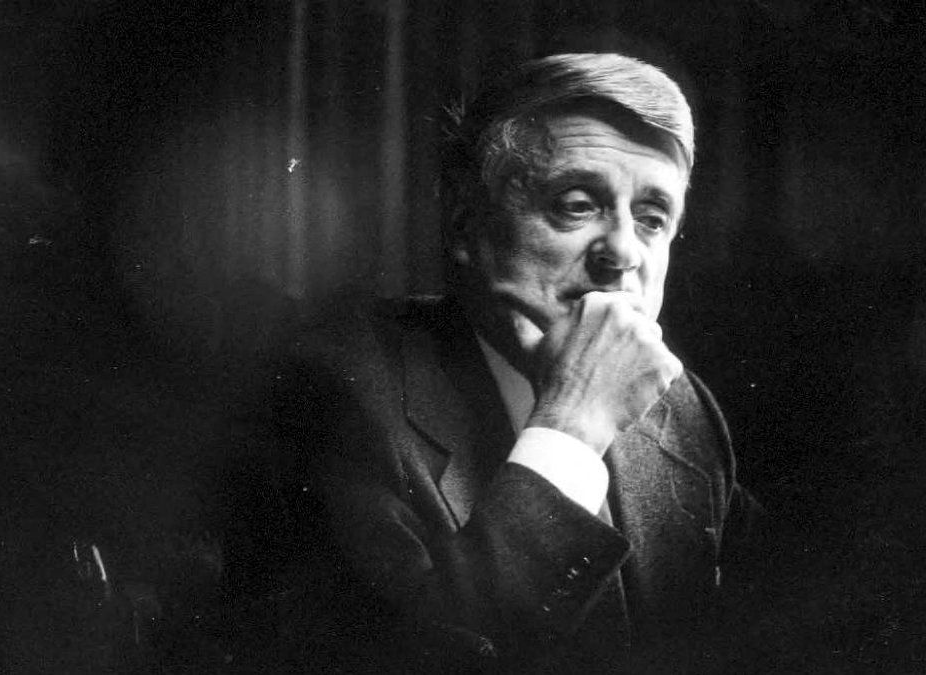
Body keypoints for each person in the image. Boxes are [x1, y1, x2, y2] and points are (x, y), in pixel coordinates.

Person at [257, 52, 759, 673]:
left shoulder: (681, 408)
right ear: (466, 225)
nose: (623, 251)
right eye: (577, 205)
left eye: (652, 219)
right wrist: (571, 427)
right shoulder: (332, 391)